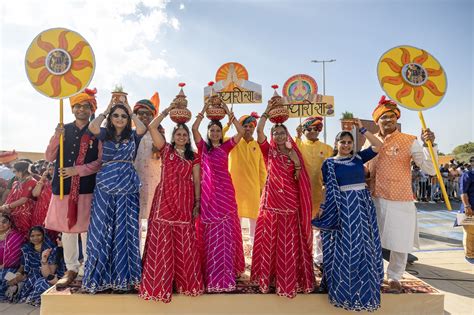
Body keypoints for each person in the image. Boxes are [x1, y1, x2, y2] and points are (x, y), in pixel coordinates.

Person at [364, 96, 437, 292]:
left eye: (392, 117)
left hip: (400, 197)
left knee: (400, 241)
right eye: (384, 117)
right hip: (374, 197)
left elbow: (430, 169)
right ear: (377, 121)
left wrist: (432, 146)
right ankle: (373, 273)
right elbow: (364, 167)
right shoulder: (370, 140)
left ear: (397, 119)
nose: (388, 120)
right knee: (372, 240)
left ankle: (395, 277)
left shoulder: (410, 140)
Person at [314, 120, 384, 311]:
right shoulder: (329, 163)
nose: (346, 146)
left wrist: (362, 128)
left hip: (361, 205)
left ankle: (365, 283)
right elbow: (327, 187)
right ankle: (342, 285)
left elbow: (378, 146)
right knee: (346, 244)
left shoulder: (359, 158)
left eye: (349, 142)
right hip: (342, 207)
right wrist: (323, 207)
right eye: (342, 142)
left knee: (363, 243)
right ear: (336, 144)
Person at [139, 102, 204, 303]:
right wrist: (167, 111)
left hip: (184, 200)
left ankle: (184, 282)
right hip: (164, 199)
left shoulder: (194, 157)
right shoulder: (166, 149)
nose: (182, 137)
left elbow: (196, 180)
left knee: (184, 239)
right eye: (178, 134)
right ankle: (160, 283)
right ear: (173, 136)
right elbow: (151, 127)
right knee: (162, 240)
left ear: (188, 138)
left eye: (185, 135)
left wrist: (197, 202)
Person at [250, 96, 314, 298]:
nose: (278, 135)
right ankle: (267, 279)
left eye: (281, 132)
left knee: (290, 241)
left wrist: (294, 159)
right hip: (271, 203)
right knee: (269, 239)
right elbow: (259, 131)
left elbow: (299, 179)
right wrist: (267, 111)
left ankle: (290, 279)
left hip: (290, 202)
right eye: (275, 133)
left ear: (287, 135)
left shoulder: (293, 153)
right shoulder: (267, 151)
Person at [82, 100, 146, 293]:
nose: (119, 119)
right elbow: (92, 126)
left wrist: (130, 111)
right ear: (110, 118)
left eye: (123, 116)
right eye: (116, 116)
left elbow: (143, 128)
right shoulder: (103, 134)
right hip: (105, 184)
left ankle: (124, 279)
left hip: (127, 184)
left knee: (125, 231)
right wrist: (108, 109)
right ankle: (99, 279)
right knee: (101, 229)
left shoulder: (133, 135)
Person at [44, 88, 101, 288]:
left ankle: (87, 270)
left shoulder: (97, 132)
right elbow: (49, 157)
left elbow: (100, 162)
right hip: (62, 187)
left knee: (86, 231)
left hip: (86, 187)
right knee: (67, 231)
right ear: (73, 109)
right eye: (78, 106)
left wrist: (77, 170)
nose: (82, 109)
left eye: (86, 106)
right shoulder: (63, 129)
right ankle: (71, 269)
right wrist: (54, 136)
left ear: (92, 109)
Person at [192, 99, 245, 292]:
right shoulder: (202, 148)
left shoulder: (226, 147)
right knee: (208, 233)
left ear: (221, 132)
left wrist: (227, 111)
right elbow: (194, 128)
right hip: (207, 196)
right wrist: (204, 109)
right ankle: (209, 273)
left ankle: (224, 275)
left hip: (225, 194)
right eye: (211, 130)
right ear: (208, 132)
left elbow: (240, 132)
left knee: (224, 234)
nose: (214, 133)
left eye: (217, 130)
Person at [223, 112, 266, 250]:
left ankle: (255, 252)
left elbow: (262, 170)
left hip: (253, 189)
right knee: (236, 221)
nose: (248, 129)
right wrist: (228, 124)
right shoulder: (233, 142)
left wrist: (262, 189)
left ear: (254, 128)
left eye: (250, 126)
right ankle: (236, 250)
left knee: (255, 221)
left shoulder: (258, 145)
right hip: (234, 189)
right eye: (245, 126)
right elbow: (220, 138)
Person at [295, 116, 333, 268]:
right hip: (300, 192)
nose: (312, 132)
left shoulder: (328, 148)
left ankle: (319, 259)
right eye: (309, 129)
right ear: (303, 131)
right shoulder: (298, 145)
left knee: (318, 228)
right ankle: (301, 257)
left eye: (315, 129)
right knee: (300, 227)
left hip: (319, 193)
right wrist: (296, 136)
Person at [133, 99, 164, 246]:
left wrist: (158, 150)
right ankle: (135, 256)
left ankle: (153, 257)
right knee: (135, 221)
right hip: (134, 181)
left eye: (148, 114)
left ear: (153, 116)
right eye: (141, 114)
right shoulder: (131, 134)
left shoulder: (159, 133)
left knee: (154, 218)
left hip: (154, 181)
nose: (145, 117)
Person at [16, 227, 64, 306]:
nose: (35, 238)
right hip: (33, 275)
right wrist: (18, 274)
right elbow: (24, 264)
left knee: (40, 282)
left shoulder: (51, 249)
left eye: (38, 235)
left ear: (44, 236)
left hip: (51, 276)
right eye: (32, 236)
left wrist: (44, 260)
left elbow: (50, 273)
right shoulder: (27, 248)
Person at [0, 161, 37, 236]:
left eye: (15, 171)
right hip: (14, 212)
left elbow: (24, 199)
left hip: (25, 213)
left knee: (24, 234)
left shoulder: (31, 181)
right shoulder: (17, 182)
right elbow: (10, 196)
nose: (15, 174)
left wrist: (7, 206)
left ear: (22, 171)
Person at [0, 213, 24, 302]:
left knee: (4, 278)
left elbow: (17, 258)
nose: (1, 224)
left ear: (10, 224)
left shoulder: (16, 237)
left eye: (4, 222)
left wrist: (3, 265)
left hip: (13, 268)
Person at [458, 156, 474, 263]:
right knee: (469, 233)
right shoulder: (467, 175)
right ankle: (469, 255)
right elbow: (463, 193)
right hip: (469, 208)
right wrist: (467, 206)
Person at [31, 164, 54, 233]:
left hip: (52, 211)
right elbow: (35, 194)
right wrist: (42, 179)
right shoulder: (45, 182)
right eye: (50, 169)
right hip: (40, 211)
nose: (52, 171)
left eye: (54, 169)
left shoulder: (62, 183)